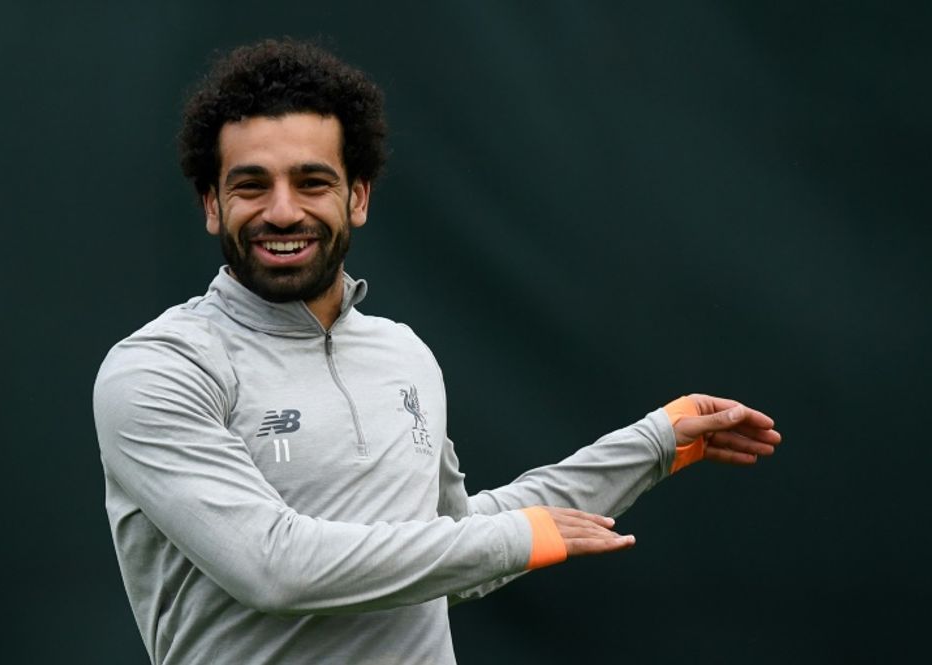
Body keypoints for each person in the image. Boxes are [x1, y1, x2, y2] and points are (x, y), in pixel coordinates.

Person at [93, 38, 781, 665]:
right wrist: (518, 537)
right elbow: (276, 566)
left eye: (312, 182)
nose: (281, 210)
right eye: (250, 185)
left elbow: (449, 542)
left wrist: (653, 443)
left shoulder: (404, 353)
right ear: (211, 205)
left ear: (356, 196)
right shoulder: (159, 368)